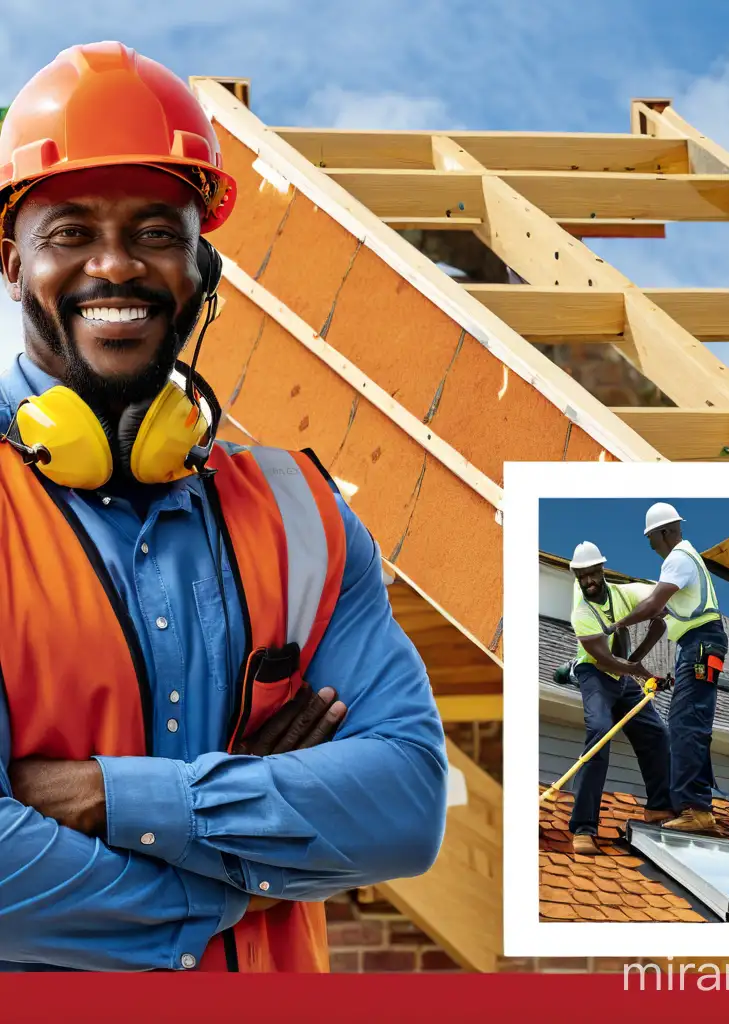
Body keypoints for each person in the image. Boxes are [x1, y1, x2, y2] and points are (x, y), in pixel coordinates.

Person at [0, 42, 447, 973]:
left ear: (203, 261)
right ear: (12, 263)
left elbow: (404, 808)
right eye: (70, 232)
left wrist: (115, 797)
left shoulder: (303, 516)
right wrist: (242, 872)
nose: (115, 266)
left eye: (158, 231)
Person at [608, 502, 727, 834]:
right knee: (689, 722)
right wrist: (637, 661)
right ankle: (695, 805)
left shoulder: (678, 559)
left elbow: (653, 605)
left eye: (651, 538)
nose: (651, 545)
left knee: (686, 724)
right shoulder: (687, 560)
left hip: (700, 645)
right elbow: (661, 618)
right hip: (699, 645)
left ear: (664, 532)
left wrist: (618, 623)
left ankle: (695, 808)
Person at [565, 541, 672, 856]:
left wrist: (640, 665)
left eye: (591, 574)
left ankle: (659, 808)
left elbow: (661, 617)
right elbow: (605, 662)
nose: (587, 581)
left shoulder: (626, 594)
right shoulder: (582, 612)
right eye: (581, 576)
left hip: (623, 677)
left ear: (602, 570)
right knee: (599, 732)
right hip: (595, 674)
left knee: (657, 733)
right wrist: (644, 675)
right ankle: (583, 827)